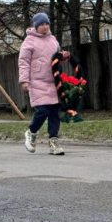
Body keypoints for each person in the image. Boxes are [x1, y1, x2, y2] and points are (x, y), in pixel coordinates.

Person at [19, 13, 68, 156]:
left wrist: (63, 57)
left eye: (47, 24)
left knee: (55, 113)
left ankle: (54, 142)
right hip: (37, 81)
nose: (45, 27)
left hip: (54, 81)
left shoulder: (53, 40)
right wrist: (24, 80)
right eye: (42, 24)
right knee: (43, 111)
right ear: (36, 26)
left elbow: (56, 58)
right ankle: (31, 132)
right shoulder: (29, 41)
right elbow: (23, 62)